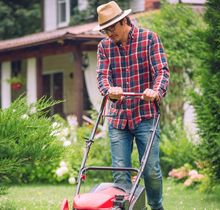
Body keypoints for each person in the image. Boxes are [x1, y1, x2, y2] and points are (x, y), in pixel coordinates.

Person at [93, 1, 169, 210]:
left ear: (123, 21)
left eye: (111, 28)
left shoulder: (149, 39)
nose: (109, 33)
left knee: (151, 170)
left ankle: (156, 207)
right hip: (118, 119)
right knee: (120, 170)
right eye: (105, 29)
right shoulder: (104, 47)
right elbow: (102, 77)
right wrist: (110, 90)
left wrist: (155, 91)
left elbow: (162, 71)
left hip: (146, 115)